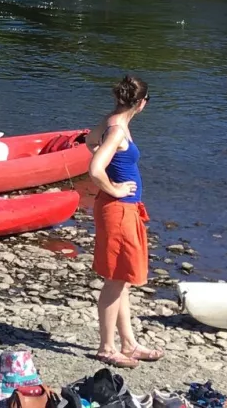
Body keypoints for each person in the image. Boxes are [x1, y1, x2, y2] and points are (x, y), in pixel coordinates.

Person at [87, 75, 160, 369]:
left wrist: (114, 176)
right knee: (116, 279)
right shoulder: (117, 130)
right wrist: (116, 187)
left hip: (123, 209)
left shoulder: (111, 121)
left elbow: (91, 142)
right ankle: (106, 347)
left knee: (123, 278)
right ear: (142, 103)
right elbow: (94, 169)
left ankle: (128, 343)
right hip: (117, 210)